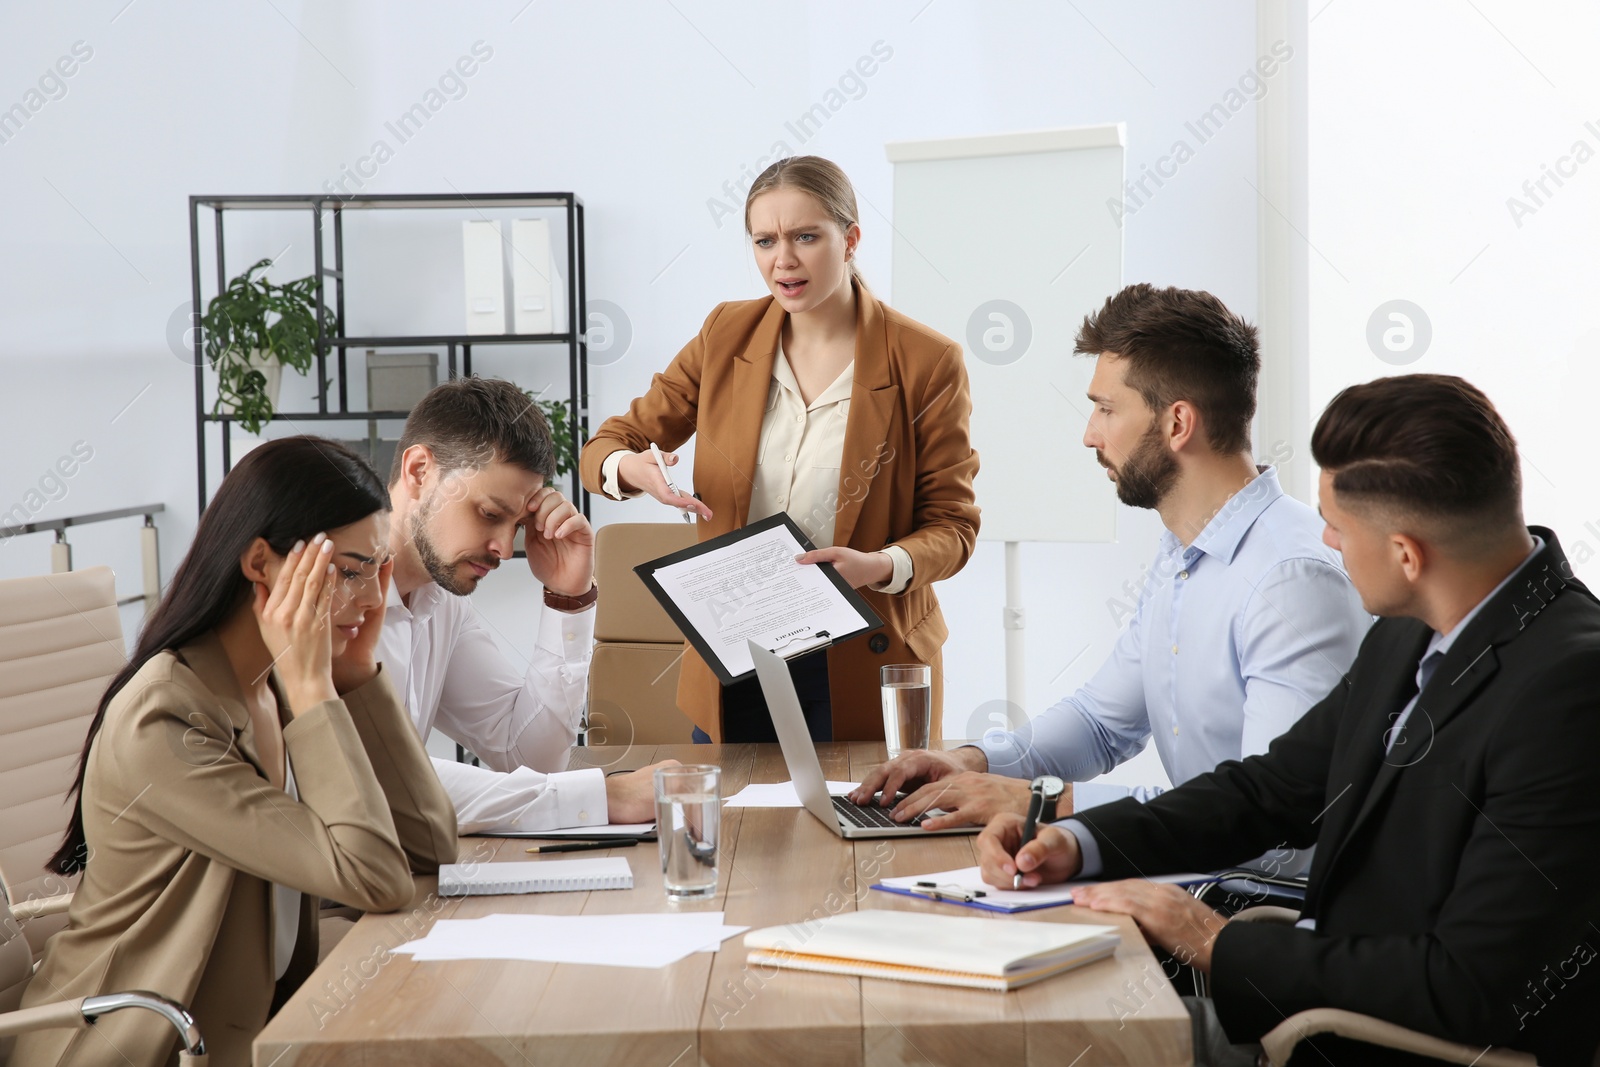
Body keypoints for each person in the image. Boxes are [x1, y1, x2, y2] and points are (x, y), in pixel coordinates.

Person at [978, 374, 1600, 1066]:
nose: (1325, 541)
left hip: (1391, 1045)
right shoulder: (1411, 627)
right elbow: (1272, 788)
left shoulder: (1570, 689)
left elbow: (1470, 984)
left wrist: (1215, 940)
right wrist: (1077, 840)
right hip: (1320, 1007)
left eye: (1337, 523)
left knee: (1040, 1045)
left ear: (1406, 553)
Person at [853, 284, 1369, 848]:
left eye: (1105, 408)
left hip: (1262, 903)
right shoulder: (1184, 551)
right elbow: (1101, 723)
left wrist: (1042, 804)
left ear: (1177, 424)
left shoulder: (1290, 579)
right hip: (1205, 874)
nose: (1089, 434)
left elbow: (1272, 813)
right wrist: (969, 762)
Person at [18, 437, 456, 1067]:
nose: (371, 600)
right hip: (137, 1047)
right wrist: (314, 689)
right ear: (261, 563)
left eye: (378, 573)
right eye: (352, 570)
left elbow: (431, 846)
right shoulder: (166, 717)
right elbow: (377, 878)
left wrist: (355, 676)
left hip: (248, 1025)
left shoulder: (271, 681)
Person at [580, 155, 980, 744]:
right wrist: (631, 468)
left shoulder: (925, 362)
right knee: (735, 829)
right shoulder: (726, 335)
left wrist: (880, 566)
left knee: (859, 828)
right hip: (736, 654)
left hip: (861, 653)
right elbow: (607, 447)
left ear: (850, 240)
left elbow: (953, 526)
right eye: (765, 240)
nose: (783, 260)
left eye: (805, 237)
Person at [376, 376, 672, 833]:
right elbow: (373, 783)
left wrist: (567, 600)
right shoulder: (332, 590)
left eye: (516, 524)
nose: (503, 547)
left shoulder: (441, 602)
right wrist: (601, 796)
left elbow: (528, 756)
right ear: (419, 472)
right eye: (490, 514)